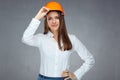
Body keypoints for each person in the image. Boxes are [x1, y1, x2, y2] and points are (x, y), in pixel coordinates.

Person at [22, 1, 95, 80]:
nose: (54, 21)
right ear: (46, 21)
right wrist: (37, 17)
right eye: (50, 18)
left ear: (61, 19)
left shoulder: (72, 39)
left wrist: (76, 75)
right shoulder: (41, 38)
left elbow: (90, 60)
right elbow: (25, 39)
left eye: (57, 17)